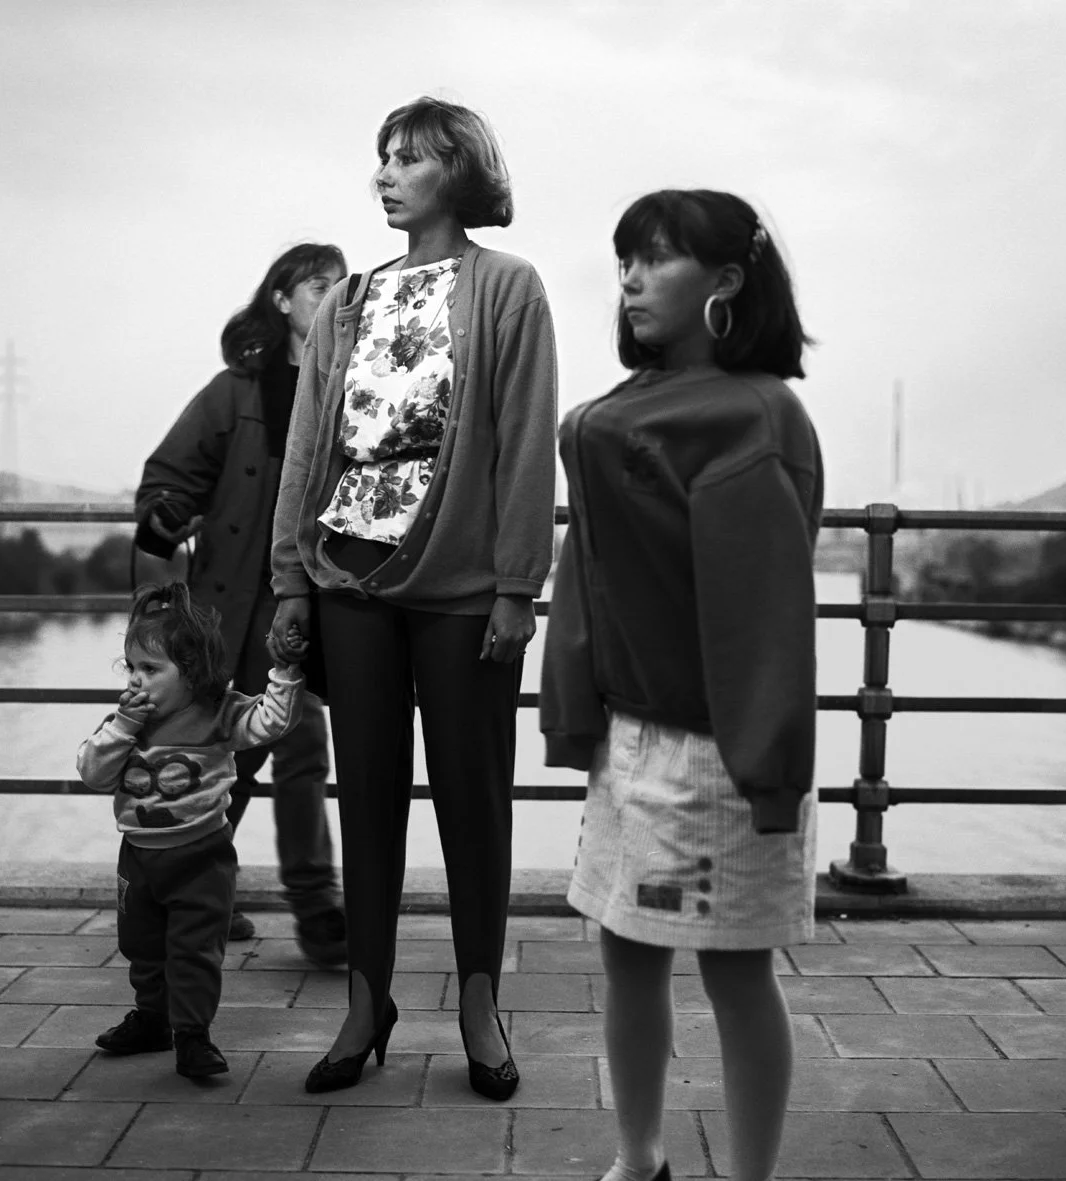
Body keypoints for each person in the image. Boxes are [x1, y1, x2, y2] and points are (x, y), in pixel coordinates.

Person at [268, 96, 558, 1098]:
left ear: (461, 172)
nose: (384, 174)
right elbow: (309, 442)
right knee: (370, 798)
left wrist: (519, 585)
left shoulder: (507, 288)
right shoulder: (348, 299)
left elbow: (524, 443)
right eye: (380, 157)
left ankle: (479, 1001)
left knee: (473, 801)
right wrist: (289, 577)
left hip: (466, 588)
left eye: (409, 158)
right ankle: (366, 1000)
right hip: (348, 574)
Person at [540, 190, 822, 1181]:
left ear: (726, 282)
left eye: (654, 258)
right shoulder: (617, 414)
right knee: (623, 951)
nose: (627, 277)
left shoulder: (750, 416)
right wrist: (572, 713)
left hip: (717, 753)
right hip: (628, 736)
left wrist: (768, 773)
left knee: (735, 971)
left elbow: (764, 618)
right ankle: (638, 1157)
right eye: (623, 258)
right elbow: (584, 576)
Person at [134, 243, 349, 965]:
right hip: (225, 605)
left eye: (339, 284)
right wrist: (166, 510)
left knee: (299, 748)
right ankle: (199, 896)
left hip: (305, 603)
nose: (333, 292)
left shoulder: (354, 384)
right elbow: (170, 475)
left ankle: (317, 910)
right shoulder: (235, 390)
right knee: (225, 759)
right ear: (283, 300)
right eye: (318, 283)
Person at [77, 581, 306, 1079]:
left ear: (192, 674)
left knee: (194, 950)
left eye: (151, 669)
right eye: (132, 667)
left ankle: (192, 1035)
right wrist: (121, 727)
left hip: (202, 857)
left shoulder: (219, 715)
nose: (137, 680)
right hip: (138, 857)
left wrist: (285, 673)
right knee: (142, 945)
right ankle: (152, 1018)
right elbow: (92, 773)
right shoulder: (124, 725)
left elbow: (271, 722)